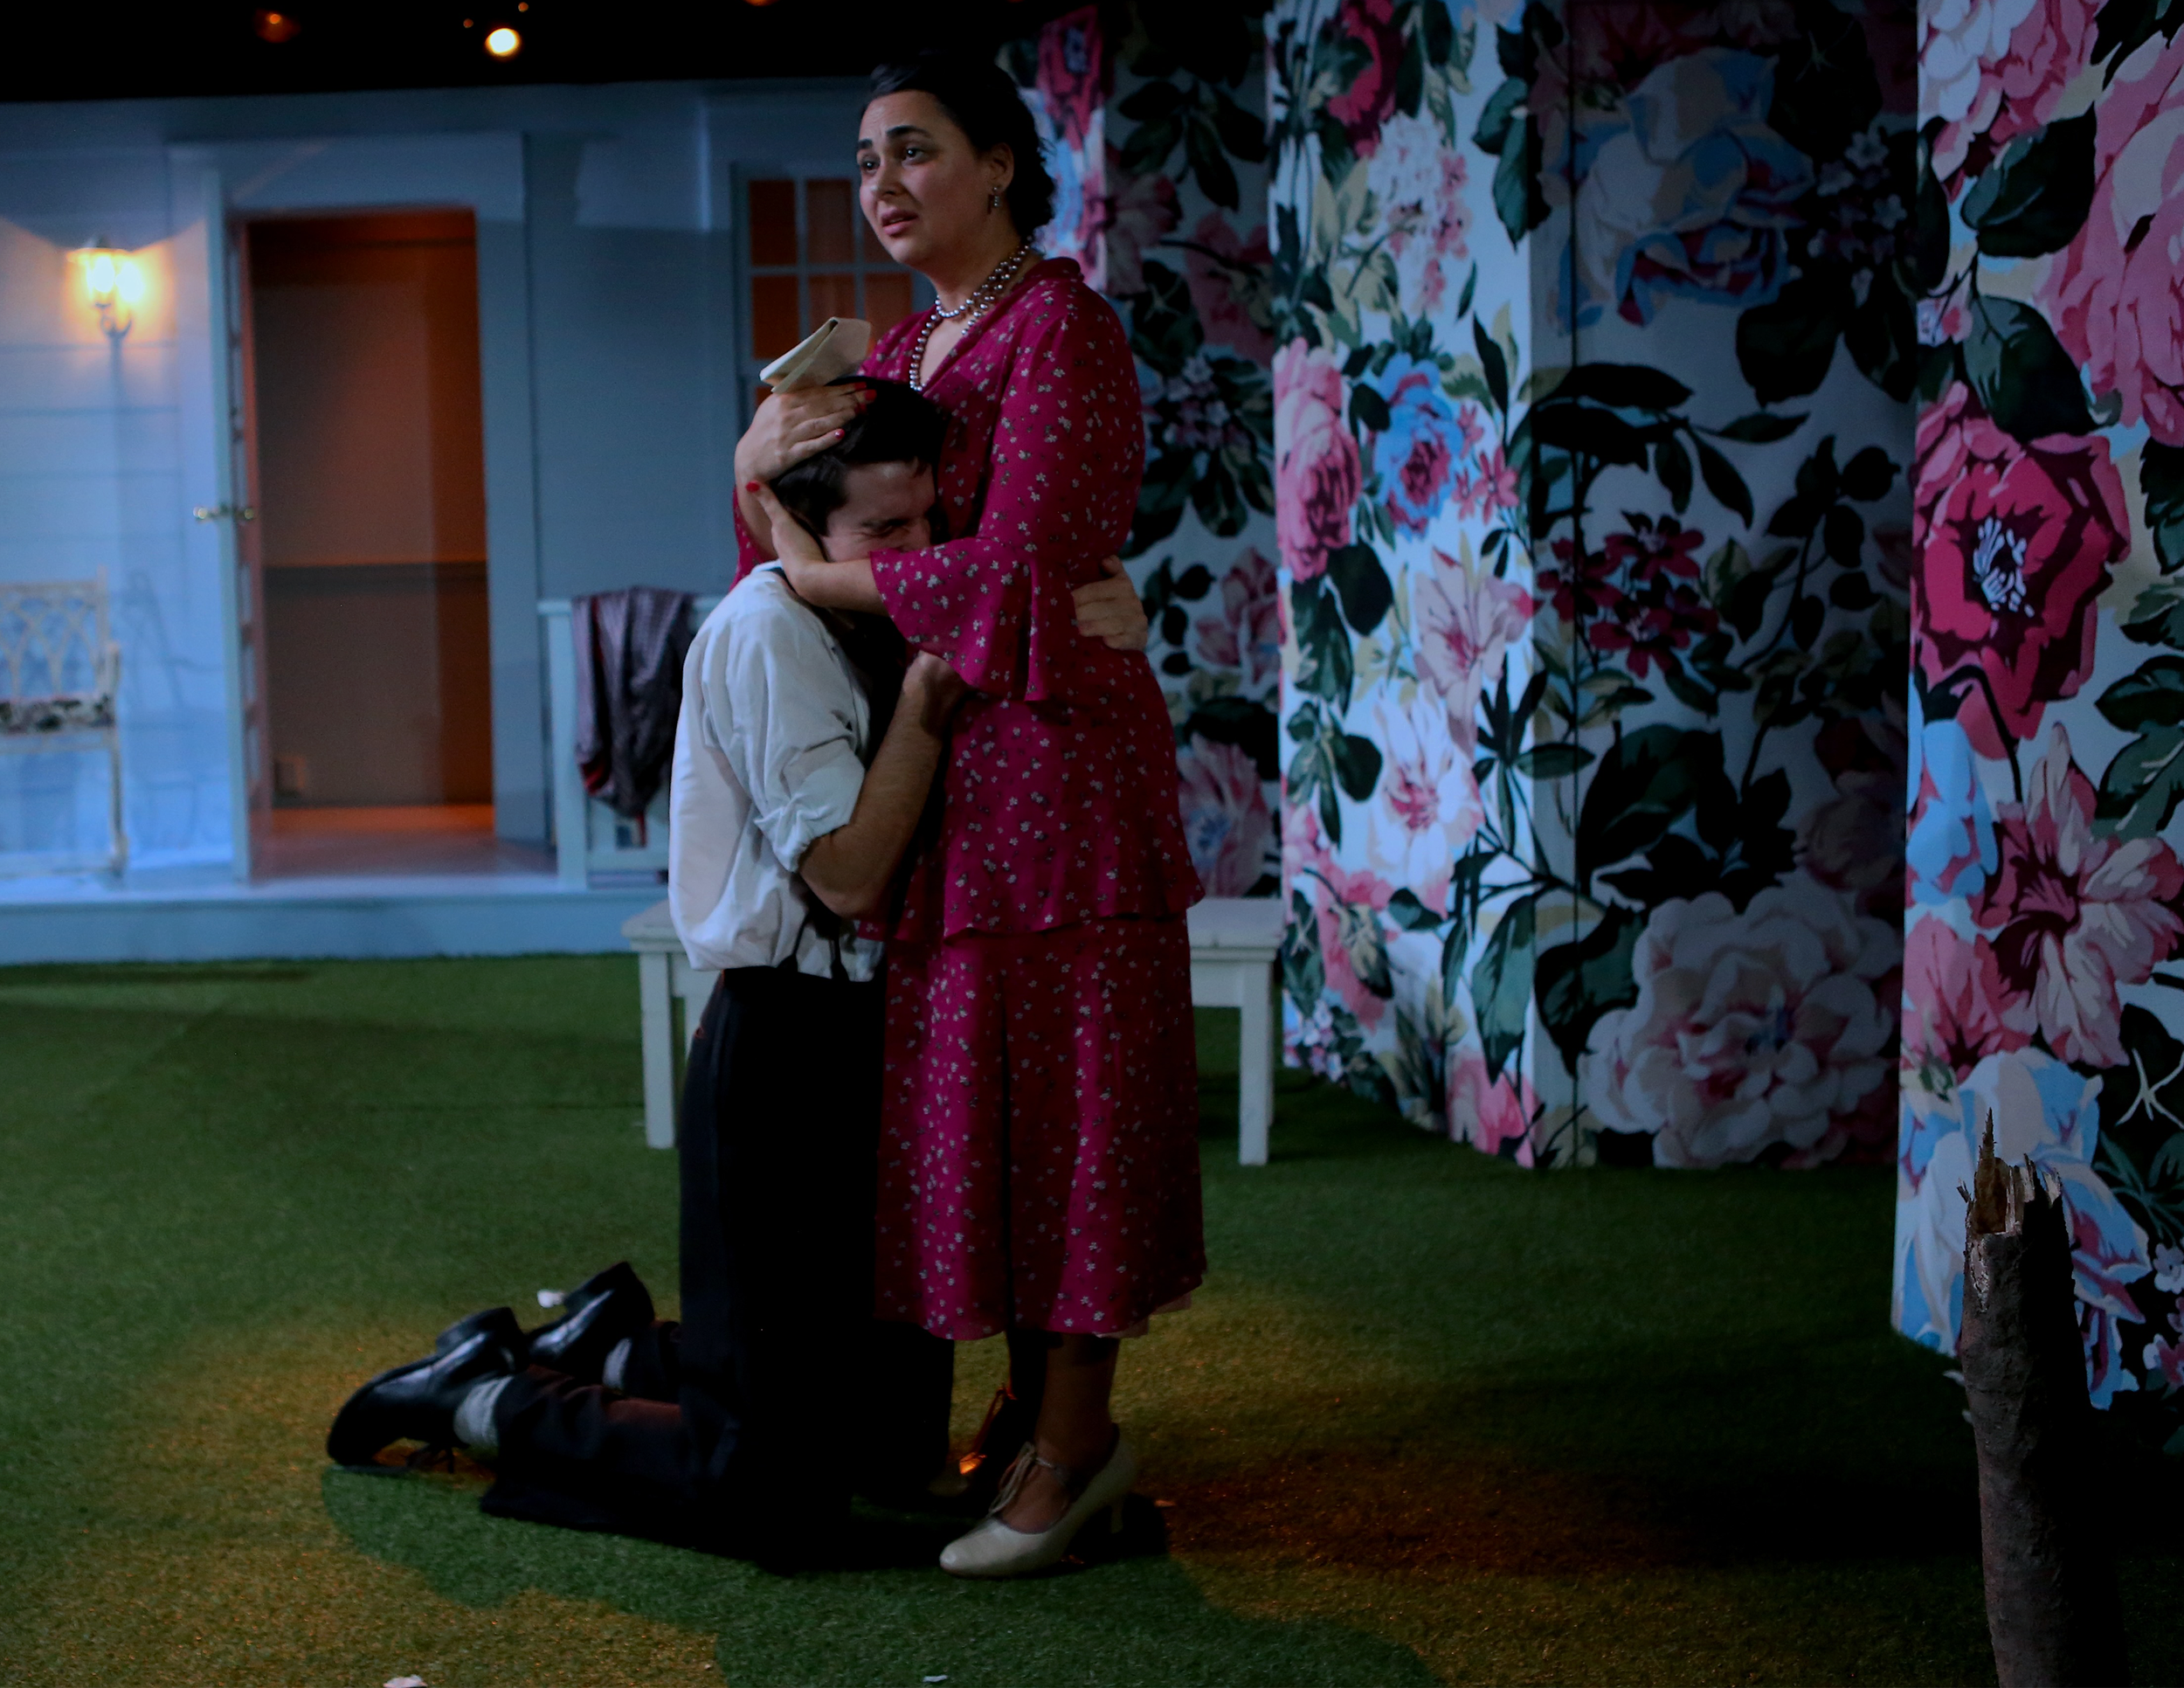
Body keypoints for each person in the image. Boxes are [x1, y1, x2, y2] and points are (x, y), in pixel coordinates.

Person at [324, 380, 1147, 1565]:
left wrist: (1110, 611)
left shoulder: (891, 605)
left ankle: (621, 1344)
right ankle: (485, 1396)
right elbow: (849, 878)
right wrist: (925, 705)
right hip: (784, 1046)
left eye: (929, 521)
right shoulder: (769, 633)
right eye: (885, 530)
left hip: (899, 1033)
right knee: (765, 1494)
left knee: (889, 1449)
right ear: (797, 527)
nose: (919, 552)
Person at [732, 50, 1206, 1578]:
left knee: (1072, 1116)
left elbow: (1013, 567)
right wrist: (757, 478)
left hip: (1059, 775)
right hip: (951, 767)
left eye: (916, 150)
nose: (883, 184)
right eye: (868, 159)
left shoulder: (1062, 327)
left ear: (1001, 165)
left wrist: (811, 574)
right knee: (987, 1113)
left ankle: (1076, 1450)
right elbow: (813, 546)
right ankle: (1027, 1417)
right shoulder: (903, 347)